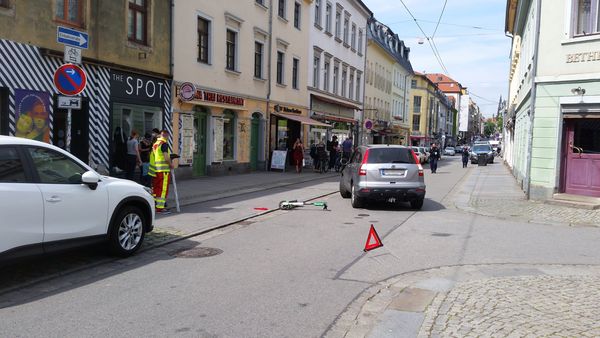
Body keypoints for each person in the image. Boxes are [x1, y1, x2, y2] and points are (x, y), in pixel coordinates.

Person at [149, 130, 173, 215]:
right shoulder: (164, 144)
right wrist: (171, 164)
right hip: (163, 171)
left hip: (156, 170)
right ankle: (160, 208)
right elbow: (166, 158)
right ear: (166, 136)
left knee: (156, 189)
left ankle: (155, 206)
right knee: (163, 190)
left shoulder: (155, 144)